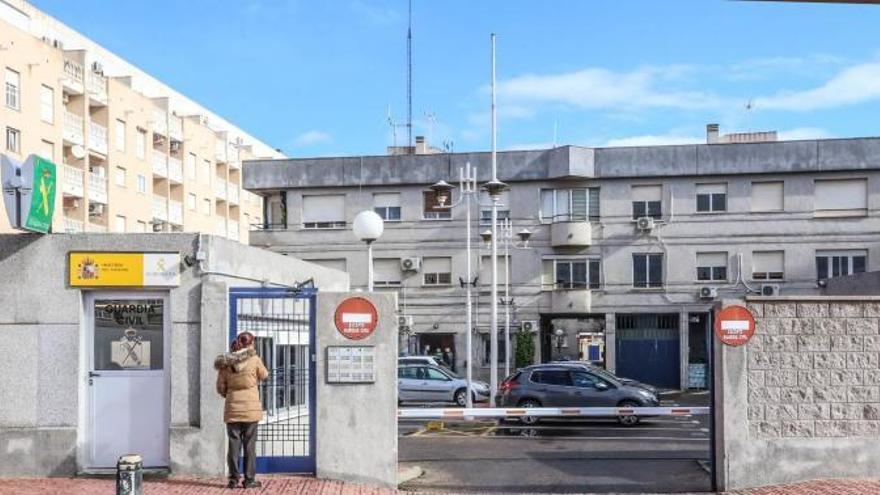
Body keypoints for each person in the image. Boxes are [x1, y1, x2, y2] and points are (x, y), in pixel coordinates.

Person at [215, 332, 269, 489]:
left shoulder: (225, 363)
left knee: (233, 445)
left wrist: (228, 395)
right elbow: (265, 375)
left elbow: (220, 387)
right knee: (249, 446)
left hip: (232, 410)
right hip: (250, 411)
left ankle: (233, 479)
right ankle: (250, 480)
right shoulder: (254, 360)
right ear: (250, 344)